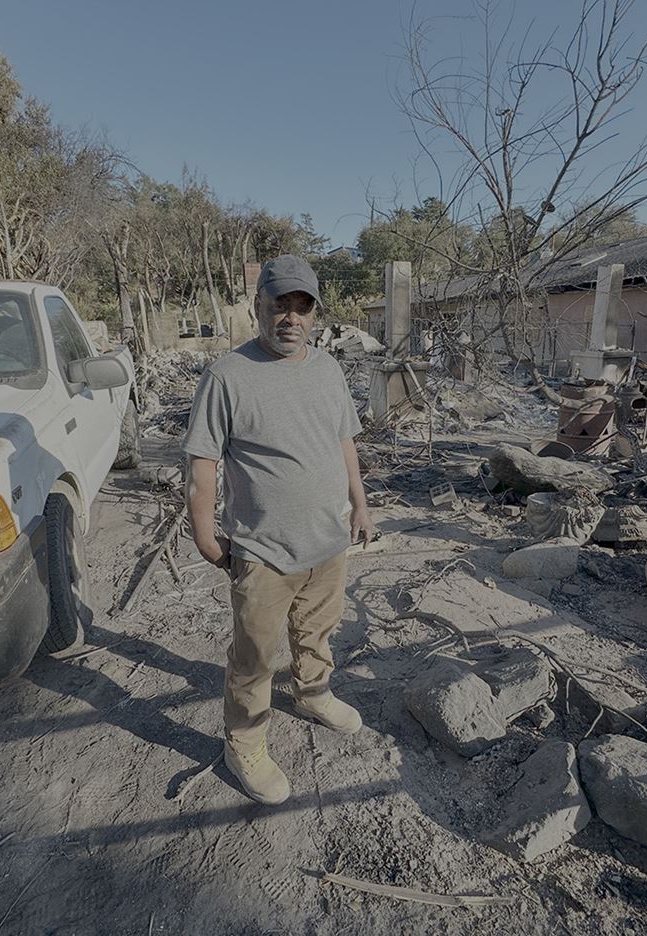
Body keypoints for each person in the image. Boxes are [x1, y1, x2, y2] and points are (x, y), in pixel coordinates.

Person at [182, 254, 376, 805]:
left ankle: (313, 693)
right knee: (254, 655)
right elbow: (202, 461)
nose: (289, 318)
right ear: (258, 308)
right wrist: (204, 533)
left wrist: (360, 506)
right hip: (263, 549)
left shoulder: (327, 369)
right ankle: (243, 742)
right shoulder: (226, 375)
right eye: (278, 306)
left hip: (328, 540)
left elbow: (344, 442)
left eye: (301, 307)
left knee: (317, 632)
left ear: (315, 314)